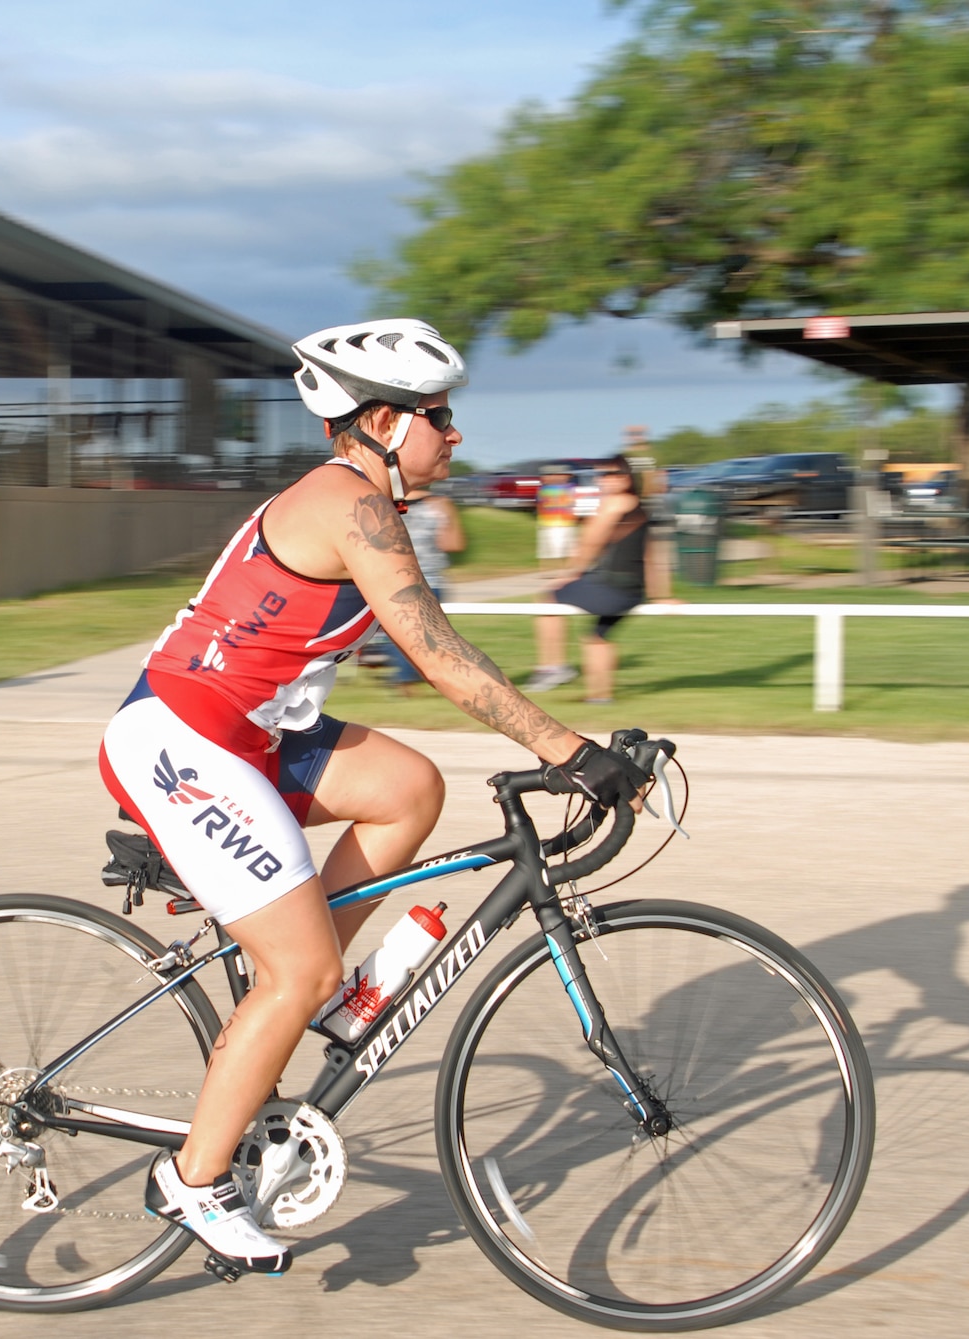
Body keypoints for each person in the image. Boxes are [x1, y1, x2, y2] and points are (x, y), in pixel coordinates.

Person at [98, 318, 645, 1276]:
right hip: (182, 742)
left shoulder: (367, 499)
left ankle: (318, 989)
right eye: (441, 416)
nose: (455, 435)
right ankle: (194, 1176)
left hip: (251, 736)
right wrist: (570, 752)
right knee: (294, 970)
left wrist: (569, 750)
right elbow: (436, 652)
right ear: (385, 421)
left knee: (407, 787)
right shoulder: (350, 506)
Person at [523, 456, 676, 704]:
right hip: (632, 592)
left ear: (626, 478)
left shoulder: (614, 503)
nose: (604, 480)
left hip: (611, 588)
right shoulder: (641, 508)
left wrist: (570, 573)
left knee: (546, 600)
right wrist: (661, 595)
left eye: (611, 475)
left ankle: (553, 667)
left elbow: (590, 543)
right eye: (602, 475)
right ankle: (600, 697)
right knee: (597, 637)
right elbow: (652, 556)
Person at [378, 484, 465, 689]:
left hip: (392, 580)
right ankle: (412, 679)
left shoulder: (383, 503)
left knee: (399, 632)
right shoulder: (439, 504)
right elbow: (453, 544)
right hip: (430, 580)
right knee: (430, 636)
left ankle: (405, 679)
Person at [535, 468, 576, 564]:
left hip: (566, 523)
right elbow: (539, 505)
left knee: (566, 549)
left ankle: (564, 569)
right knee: (549, 549)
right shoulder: (543, 489)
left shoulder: (570, 488)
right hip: (549, 523)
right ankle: (549, 569)